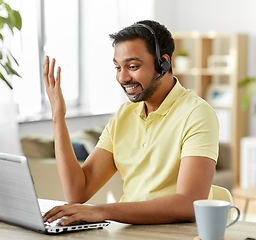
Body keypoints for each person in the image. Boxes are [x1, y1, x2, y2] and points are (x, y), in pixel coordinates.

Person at [42, 20, 219, 225]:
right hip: (129, 232)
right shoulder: (124, 115)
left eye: (133, 66)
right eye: (118, 67)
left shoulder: (197, 114)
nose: (123, 77)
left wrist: (102, 211)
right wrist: (58, 116)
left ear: (163, 63)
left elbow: (189, 204)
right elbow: (77, 191)